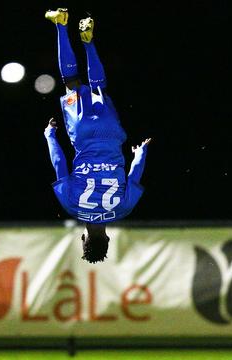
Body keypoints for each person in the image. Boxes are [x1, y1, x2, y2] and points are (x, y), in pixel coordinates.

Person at [43, 8, 150, 264]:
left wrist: (140, 153)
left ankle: (89, 44)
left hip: (112, 134)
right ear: (84, 238)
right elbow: (59, 164)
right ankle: (60, 24)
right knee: (71, 81)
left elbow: (135, 174)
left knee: (98, 88)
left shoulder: (123, 209)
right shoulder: (72, 206)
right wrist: (50, 136)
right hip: (82, 134)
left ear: (109, 238)